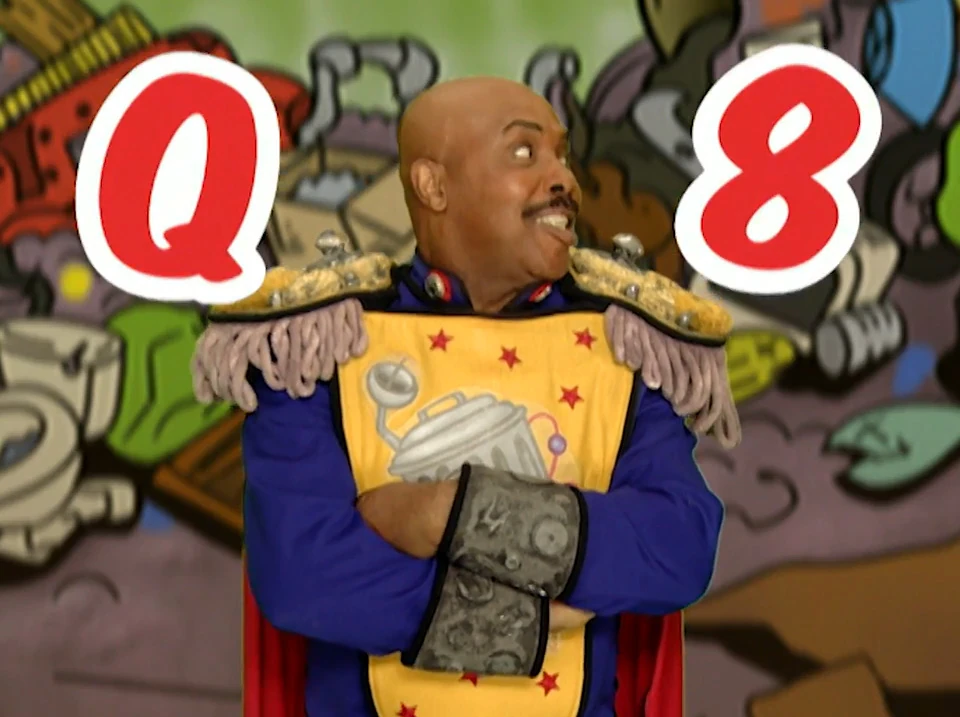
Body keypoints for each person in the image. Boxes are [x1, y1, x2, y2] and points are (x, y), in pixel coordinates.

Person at [192, 76, 741, 717]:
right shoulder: (318, 344)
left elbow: (678, 545)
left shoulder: (626, 343)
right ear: (433, 186)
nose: (564, 179)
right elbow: (304, 575)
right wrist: (538, 618)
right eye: (524, 153)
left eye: (562, 155)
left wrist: (442, 513)